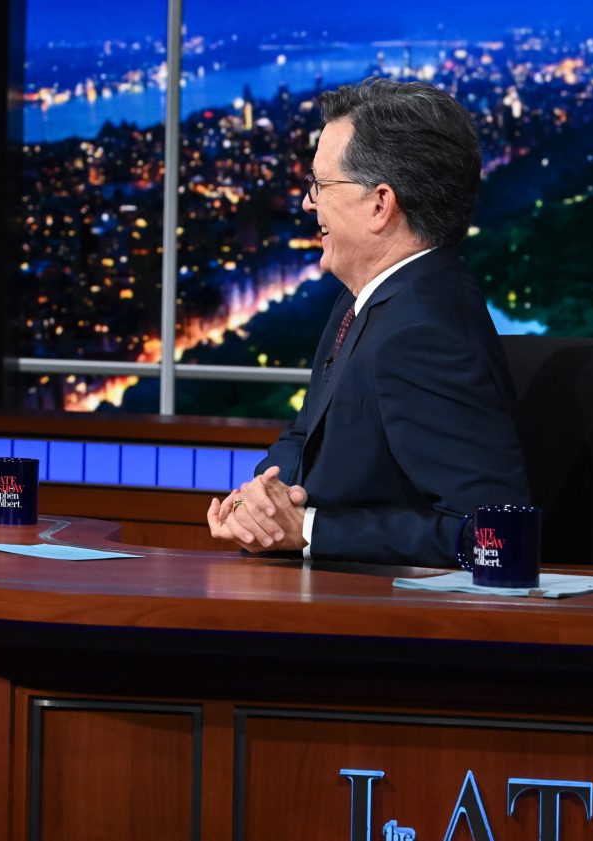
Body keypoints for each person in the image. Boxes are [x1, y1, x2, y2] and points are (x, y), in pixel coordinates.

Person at [207, 79, 529, 566]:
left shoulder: (423, 332)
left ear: (380, 204)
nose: (308, 203)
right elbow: (304, 437)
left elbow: (491, 534)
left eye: (321, 185)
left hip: (381, 608)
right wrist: (257, 506)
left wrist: (309, 530)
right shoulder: (362, 300)